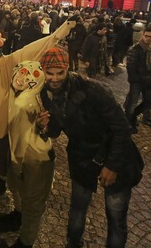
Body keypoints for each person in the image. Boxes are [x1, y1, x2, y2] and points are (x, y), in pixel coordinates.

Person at [0, 20, 75, 247]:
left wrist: (58, 33)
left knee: (10, 175)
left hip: (4, 137)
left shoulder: (7, 64)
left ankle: (16, 212)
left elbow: (35, 49)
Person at [40, 47, 144, 248]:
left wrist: (112, 165)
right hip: (82, 158)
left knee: (115, 217)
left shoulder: (93, 90)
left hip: (115, 155)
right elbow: (55, 131)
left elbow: (122, 128)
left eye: (59, 73)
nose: (54, 78)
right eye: (49, 73)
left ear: (67, 69)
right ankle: (73, 244)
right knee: (78, 208)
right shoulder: (45, 94)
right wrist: (44, 126)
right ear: (43, 71)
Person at [3, 60, 55, 248]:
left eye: (32, 78)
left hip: (35, 160)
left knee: (32, 203)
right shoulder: (15, 95)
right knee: (17, 188)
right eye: (23, 71)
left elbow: (19, 141)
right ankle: (17, 215)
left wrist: (15, 165)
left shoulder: (24, 102)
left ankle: (25, 242)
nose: (24, 78)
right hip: (29, 156)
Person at [123, 28, 151, 132]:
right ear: (142, 35)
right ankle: (128, 122)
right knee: (132, 103)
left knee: (149, 101)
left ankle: (134, 115)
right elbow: (131, 67)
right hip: (137, 81)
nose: (148, 39)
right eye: (146, 36)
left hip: (149, 80)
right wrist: (137, 78)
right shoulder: (135, 49)